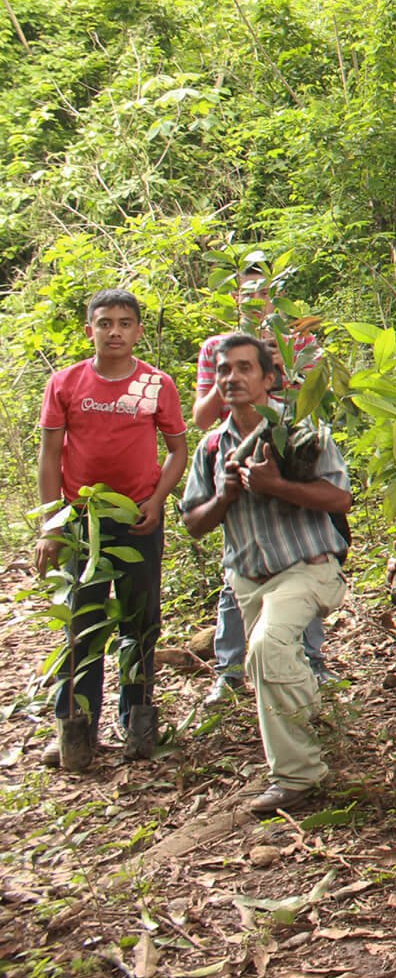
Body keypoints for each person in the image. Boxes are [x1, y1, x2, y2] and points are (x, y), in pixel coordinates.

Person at [180, 334, 351, 814]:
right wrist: (225, 496)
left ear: (269, 378)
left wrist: (277, 485)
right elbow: (194, 523)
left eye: (243, 369)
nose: (232, 378)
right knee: (267, 664)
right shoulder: (212, 447)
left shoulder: (299, 430)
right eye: (223, 371)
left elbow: (339, 498)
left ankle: (298, 776)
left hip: (307, 568)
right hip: (249, 580)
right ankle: (310, 714)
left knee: (267, 647)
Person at [36, 289, 189, 769]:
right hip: (83, 524)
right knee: (82, 625)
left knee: (141, 622)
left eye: (125, 322)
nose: (115, 331)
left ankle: (138, 725)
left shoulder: (156, 384)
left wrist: (157, 500)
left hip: (138, 519)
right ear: (90, 331)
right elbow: (49, 454)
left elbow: (177, 450)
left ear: (139, 331)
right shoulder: (66, 383)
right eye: (105, 323)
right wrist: (50, 524)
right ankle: (76, 728)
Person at [191, 265, 327, 703]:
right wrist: (234, 373)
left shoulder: (299, 338)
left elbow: (318, 402)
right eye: (245, 296)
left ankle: (313, 662)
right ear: (234, 300)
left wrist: (281, 363)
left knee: (301, 555)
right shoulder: (216, 347)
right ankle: (229, 670)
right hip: (233, 449)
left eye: (262, 295)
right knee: (241, 561)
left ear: (276, 297)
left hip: (291, 453)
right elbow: (201, 417)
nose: (255, 303)